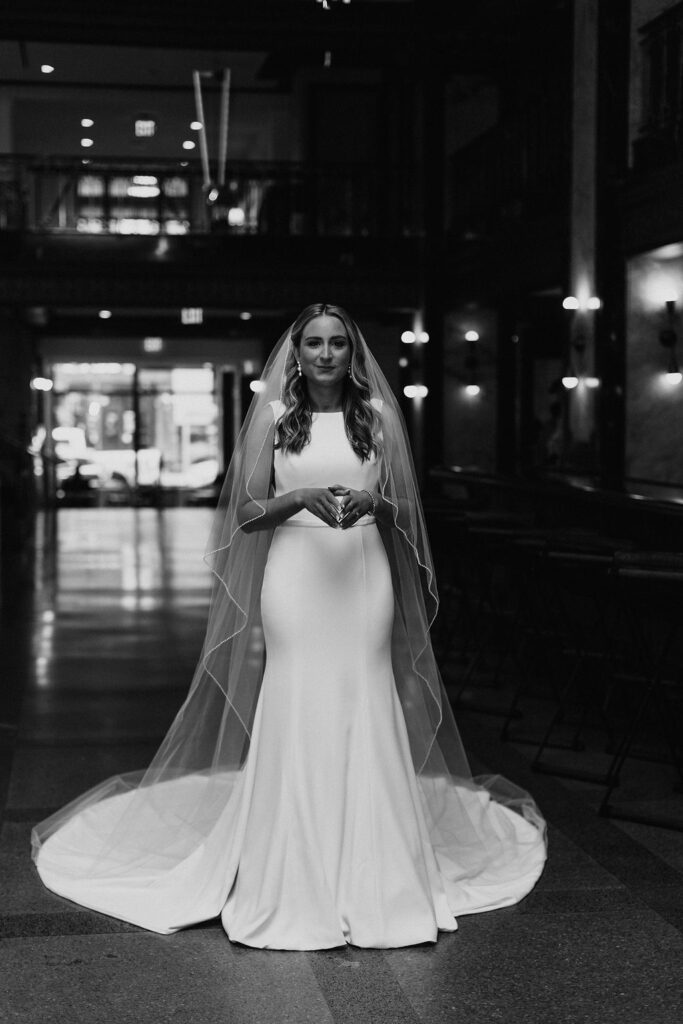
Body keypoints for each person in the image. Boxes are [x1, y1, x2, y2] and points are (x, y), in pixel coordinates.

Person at [32, 303, 546, 950]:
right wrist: (298, 498)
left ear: (352, 353)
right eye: (314, 343)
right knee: (297, 695)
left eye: (337, 343)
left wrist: (374, 501)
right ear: (296, 353)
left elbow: (408, 507)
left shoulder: (379, 419)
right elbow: (244, 512)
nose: (326, 354)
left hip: (361, 572)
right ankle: (287, 871)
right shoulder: (274, 419)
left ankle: (379, 875)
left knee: (364, 696)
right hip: (295, 574)